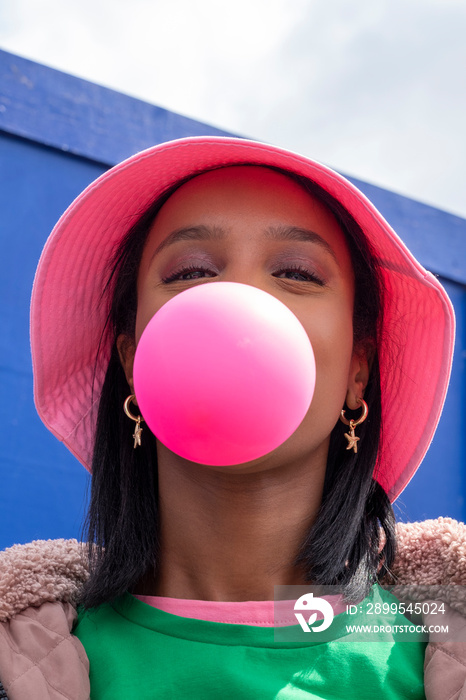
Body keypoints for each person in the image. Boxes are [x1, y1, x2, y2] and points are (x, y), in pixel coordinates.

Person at [0, 136, 464, 700]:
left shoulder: (440, 659)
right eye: (192, 272)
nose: (240, 300)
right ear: (132, 362)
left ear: (357, 372)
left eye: (296, 272)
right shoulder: (19, 666)